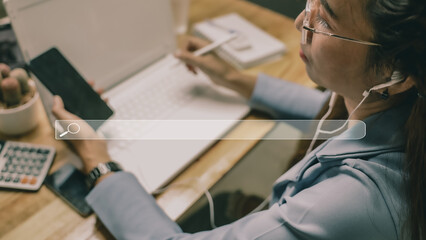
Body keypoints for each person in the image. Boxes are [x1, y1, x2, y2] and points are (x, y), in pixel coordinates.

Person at [52, 0, 426, 239]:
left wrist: (97, 160)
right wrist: (233, 79)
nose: (300, 21)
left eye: (324, 20)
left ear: (396, 71)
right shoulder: (404, 100)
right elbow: (332, 110)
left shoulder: (345, 204)